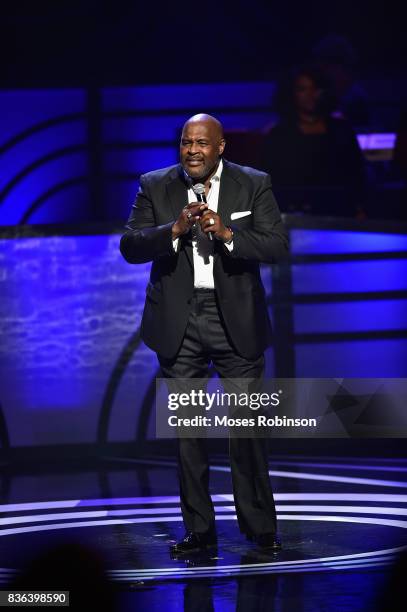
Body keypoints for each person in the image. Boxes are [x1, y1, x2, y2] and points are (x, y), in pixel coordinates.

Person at [120, 113, 288, 554]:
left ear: (220, 147)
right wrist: (171, 231)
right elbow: (130, 245)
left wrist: (230, 234)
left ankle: (259, 525)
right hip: (180, 321)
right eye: (185, 142)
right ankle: (199, 529)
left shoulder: (254, 183)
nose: (192, 150)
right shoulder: (154, 185)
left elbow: (277, 245)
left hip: (236, 319)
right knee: (188, 433)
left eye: (201, 143)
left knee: (247, 429)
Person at [262, 65, 366, 216]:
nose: (310, 95)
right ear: (291, 94)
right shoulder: (279, 135)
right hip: (294, 213)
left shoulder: (342, 130)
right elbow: (270, 181)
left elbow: (357, 173)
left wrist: (359, 207)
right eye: (302, 89)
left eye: (315, 88)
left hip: (341, 211)